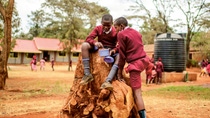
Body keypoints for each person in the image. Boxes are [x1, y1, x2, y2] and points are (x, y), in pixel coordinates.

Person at [114, 17, 149, 118]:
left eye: (115, 27)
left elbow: (122, 56)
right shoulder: (136, 32)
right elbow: (130, 44)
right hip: (144, 60)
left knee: (137, 93)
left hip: (135, 65)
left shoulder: (121, 34)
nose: (115, 30)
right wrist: (116, 49)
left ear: (121, 26)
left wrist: (119, 72)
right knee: (136, 90)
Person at [79, 14, 119, 90]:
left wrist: (114, 50)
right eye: (104, 25)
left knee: (119, 57)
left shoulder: (115, 31)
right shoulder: (98, 28)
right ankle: (87, 74)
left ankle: (108, 81)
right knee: (84, 45)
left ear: (112, 24)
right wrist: (95, 42)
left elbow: (120, 44)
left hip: (111, 50)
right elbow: (88, 38)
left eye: (108, 25)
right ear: (101, 23)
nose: (106, 27)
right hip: (99, 48)